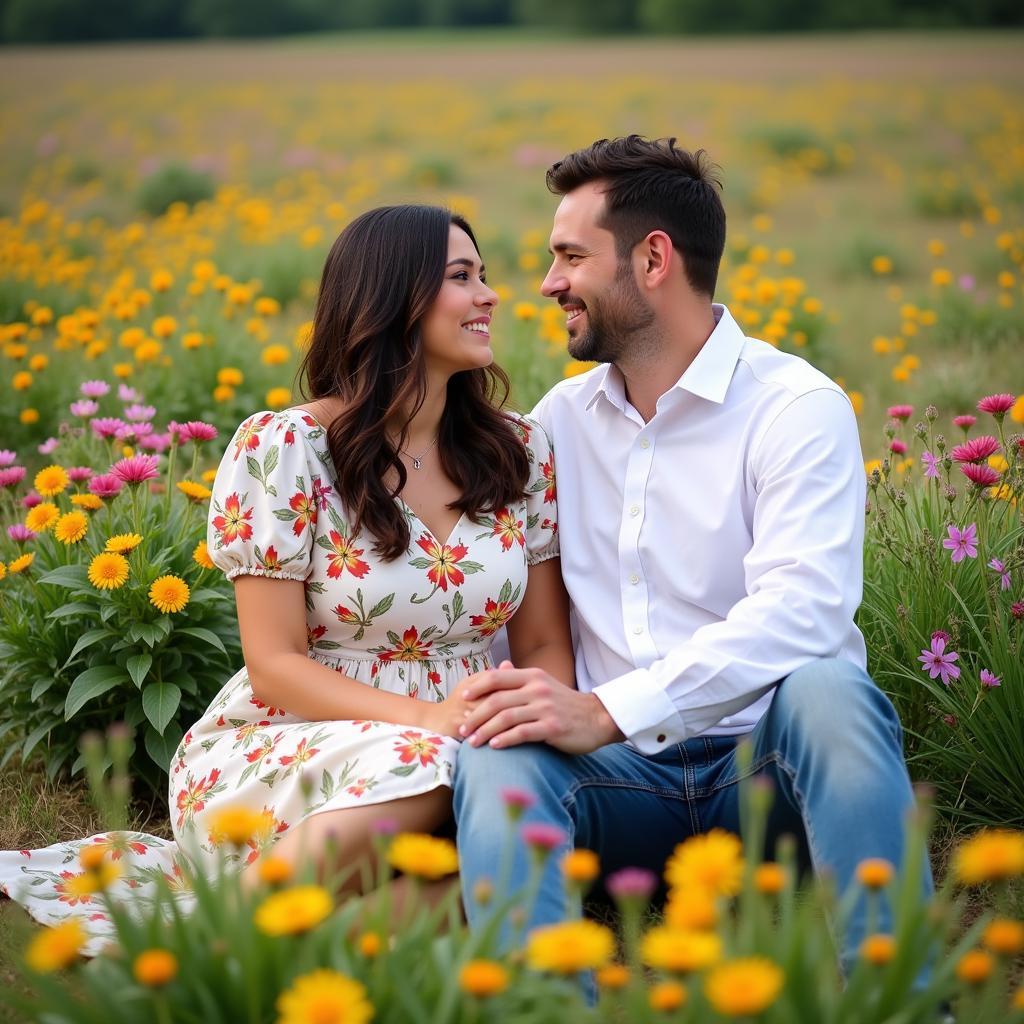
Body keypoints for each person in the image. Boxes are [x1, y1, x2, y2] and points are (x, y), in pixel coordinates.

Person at [0, 205, 571, 947]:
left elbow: (546, 644)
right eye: (463, 277)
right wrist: (432, 721)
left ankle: (261, 950)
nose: (491, 295)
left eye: (484, 275)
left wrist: (532, 726)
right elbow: (273, 666)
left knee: (506, 870)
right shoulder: (286, 448)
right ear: (393, 298)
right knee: (434, 767)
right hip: (297, 739)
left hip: (472, 732)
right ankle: (226, 934)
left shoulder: (518, 451)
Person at [450, 136, 932, 974]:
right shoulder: (559, 423)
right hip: (611, 785)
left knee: (831, 688)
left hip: (768, 770)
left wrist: (611, 707)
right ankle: (546, 1002)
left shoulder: (794, 408)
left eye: (570, 256)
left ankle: (904, 995)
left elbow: (805, 612)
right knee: (501, 750)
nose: (548, 282)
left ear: (654, 258)